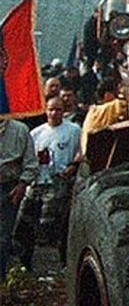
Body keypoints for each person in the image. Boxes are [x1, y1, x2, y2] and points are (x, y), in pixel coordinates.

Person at [14, 97, 82, 271]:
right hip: (37, 181)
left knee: (51, 224)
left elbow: (81, 152)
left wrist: (73, 166)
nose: (54, 113)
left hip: (58, 181)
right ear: (46, 110)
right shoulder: (36, 133)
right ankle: (24, 263)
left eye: (58, 110)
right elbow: (26, 157)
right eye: (51, 109)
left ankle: (58, 264)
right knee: (24, 222)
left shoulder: (73, 130)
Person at [0, 113, 38, 274]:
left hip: (9, 188)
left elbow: (30, 162)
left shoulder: (20, 130)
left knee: (3, 235)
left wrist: (22, 184)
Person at [80, 74, 127, 157]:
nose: (118, 96)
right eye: (116, 93)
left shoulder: (94, 111)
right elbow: (124, 104)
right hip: (95, 158)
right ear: (107, 95)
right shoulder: (107, 109)